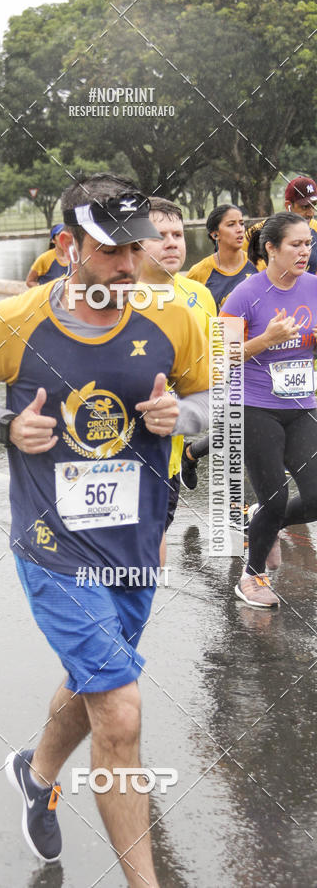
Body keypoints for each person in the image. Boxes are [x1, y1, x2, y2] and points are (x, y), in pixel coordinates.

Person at [0, 173, 209, 887]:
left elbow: (212, 396)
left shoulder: (173, 319)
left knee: (98, 679)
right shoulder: (15, 322)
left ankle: (36, 774)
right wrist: (6, 425)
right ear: (67, 246)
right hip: (54, 547)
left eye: (135, 248)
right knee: (119, 712)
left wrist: (182, 416)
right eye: (109, 250)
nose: (127, 265)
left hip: (134, 542)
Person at [221, 211, 317, 607]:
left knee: (315, 497)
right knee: (276, 497)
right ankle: (252, 575)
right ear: (272, 249)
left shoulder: (314, 286)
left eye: (308, 243)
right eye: (295, 244)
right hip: (254, 405)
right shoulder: (245, 294)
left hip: (303, 404)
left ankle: (265, 517)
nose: (304, 251)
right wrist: (265, 340)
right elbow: (219, 356)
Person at [140, 197, 217, 562]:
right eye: (160, 235)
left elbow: (212, 379)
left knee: (152, 545)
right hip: (114, 455)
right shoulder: (111, 296)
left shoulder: (200, 297)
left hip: (169, 455)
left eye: (178, 234)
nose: (172, 243)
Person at [181, 205, 257, 486]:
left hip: (259, 354)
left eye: (241, 223)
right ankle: (243, 501)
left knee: (248, 425)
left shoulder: (257, 264)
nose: (239, 229)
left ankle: (192, 453)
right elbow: (185, 314)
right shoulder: (199, 273)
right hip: (222, 357)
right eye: (231, 224)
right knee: (240, 426)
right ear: (215, 234)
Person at [244, 176, 317, 273]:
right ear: (288, 206)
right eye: (305, 207)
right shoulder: (263, 229)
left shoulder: (315, 227)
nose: (311, 213)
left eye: (313, 205)